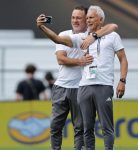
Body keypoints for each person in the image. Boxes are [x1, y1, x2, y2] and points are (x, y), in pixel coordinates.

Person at [37, 6, 118, 150]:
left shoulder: (94, 35)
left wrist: (94, 35)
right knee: (55, 126)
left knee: (80, 128)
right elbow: (61, 59)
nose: (75, 20)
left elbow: (112, 26)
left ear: (87, 19)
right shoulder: (68, 35)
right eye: (73, 17)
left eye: (80, 18)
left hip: (80, 87)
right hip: (61, 86)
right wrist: (42, 27)